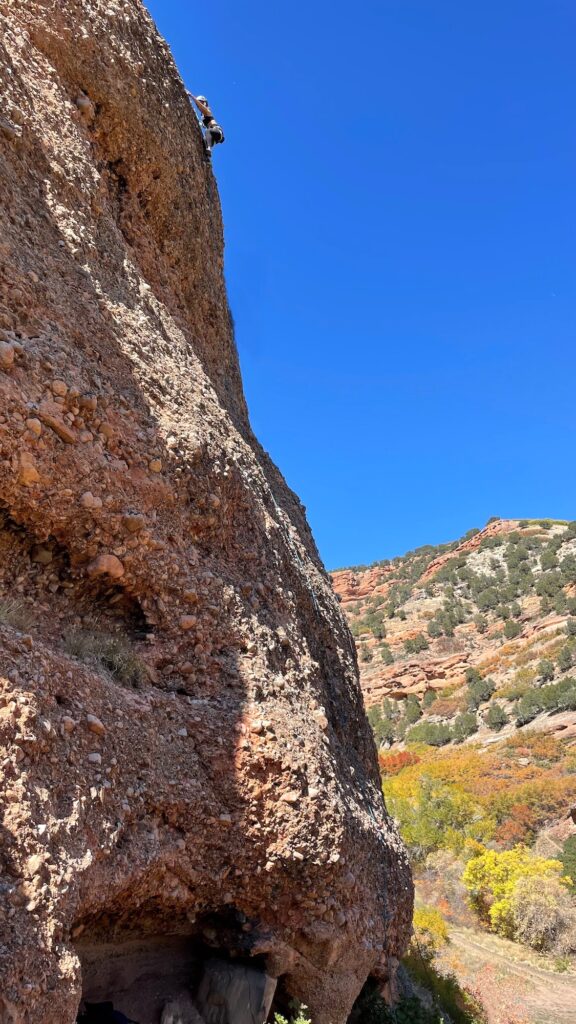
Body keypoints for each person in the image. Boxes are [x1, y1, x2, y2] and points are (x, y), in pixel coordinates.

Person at [187, 92, 225, 158]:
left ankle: (209, 149)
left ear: (205, 103)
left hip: (216, 131)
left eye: (201, 102)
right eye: (199, 103)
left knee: (208, 131)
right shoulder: (203, 117)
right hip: (214, 137)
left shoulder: (208, 111)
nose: (199, 105)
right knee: (204, 142)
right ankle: (206, 157)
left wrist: (191, 96)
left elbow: (202, 107)